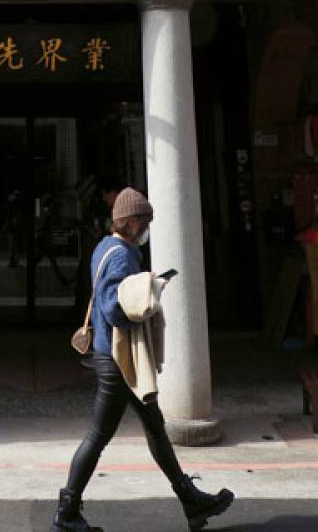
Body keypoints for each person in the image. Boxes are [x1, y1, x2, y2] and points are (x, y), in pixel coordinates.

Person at [52, 187, 234, 532]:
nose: (147, 227)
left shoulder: (105, 248)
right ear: (132, 221)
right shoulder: (121, 255)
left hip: (115, 357)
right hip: (117, 359)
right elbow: (113, 307)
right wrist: (149, 298)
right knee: (98, 435)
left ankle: (191, 500)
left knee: (154, 428)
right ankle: (66, 512)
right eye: (145, 221)